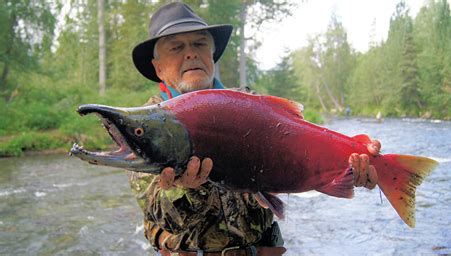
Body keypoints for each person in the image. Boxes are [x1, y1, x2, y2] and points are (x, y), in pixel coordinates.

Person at [130, 2, 381, 255]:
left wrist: (353, 166)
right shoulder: (145, 128)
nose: (191, 53)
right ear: (158, 68)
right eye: (176, 47)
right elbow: (159, 214)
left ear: (212, 55)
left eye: (199, 43)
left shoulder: (254, 108)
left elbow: (301, 157)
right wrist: (186, 188)